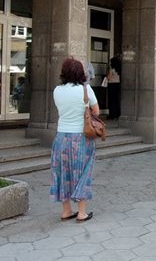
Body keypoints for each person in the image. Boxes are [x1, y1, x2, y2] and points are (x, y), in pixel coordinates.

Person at [50, 58, 99, 222]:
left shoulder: (57, 90)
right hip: (81, 136)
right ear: (80, 73)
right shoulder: (86, 90)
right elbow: (96, 111)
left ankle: (66, 211)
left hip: (61, 137)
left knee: (63, 172)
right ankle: (82, 212)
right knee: (83, 171)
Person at [106, 55, 121, 120]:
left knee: (111, 100)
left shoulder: (112, 70)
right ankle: (117, 114)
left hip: (112, 85)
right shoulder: (119, 70)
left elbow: (108, 78)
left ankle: (111, 114)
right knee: (116, 100)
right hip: (117, 85)